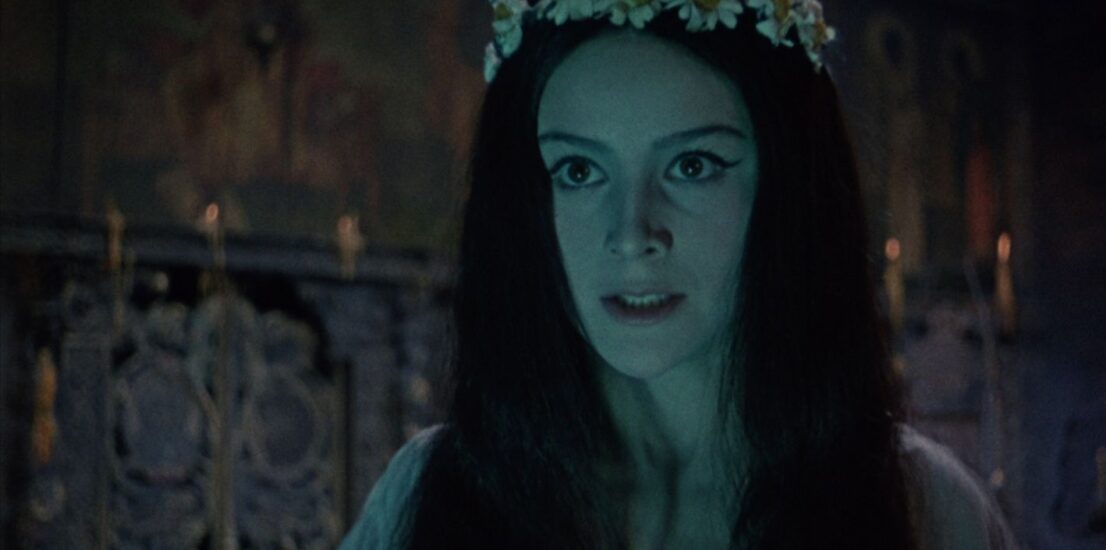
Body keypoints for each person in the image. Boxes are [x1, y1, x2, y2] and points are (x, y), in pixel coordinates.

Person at [342, 1, 1017, 548]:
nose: (633, 233)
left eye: (692, 166)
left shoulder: (922, 507)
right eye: (578, 170)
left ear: (787, 190)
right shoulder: (431, 495)